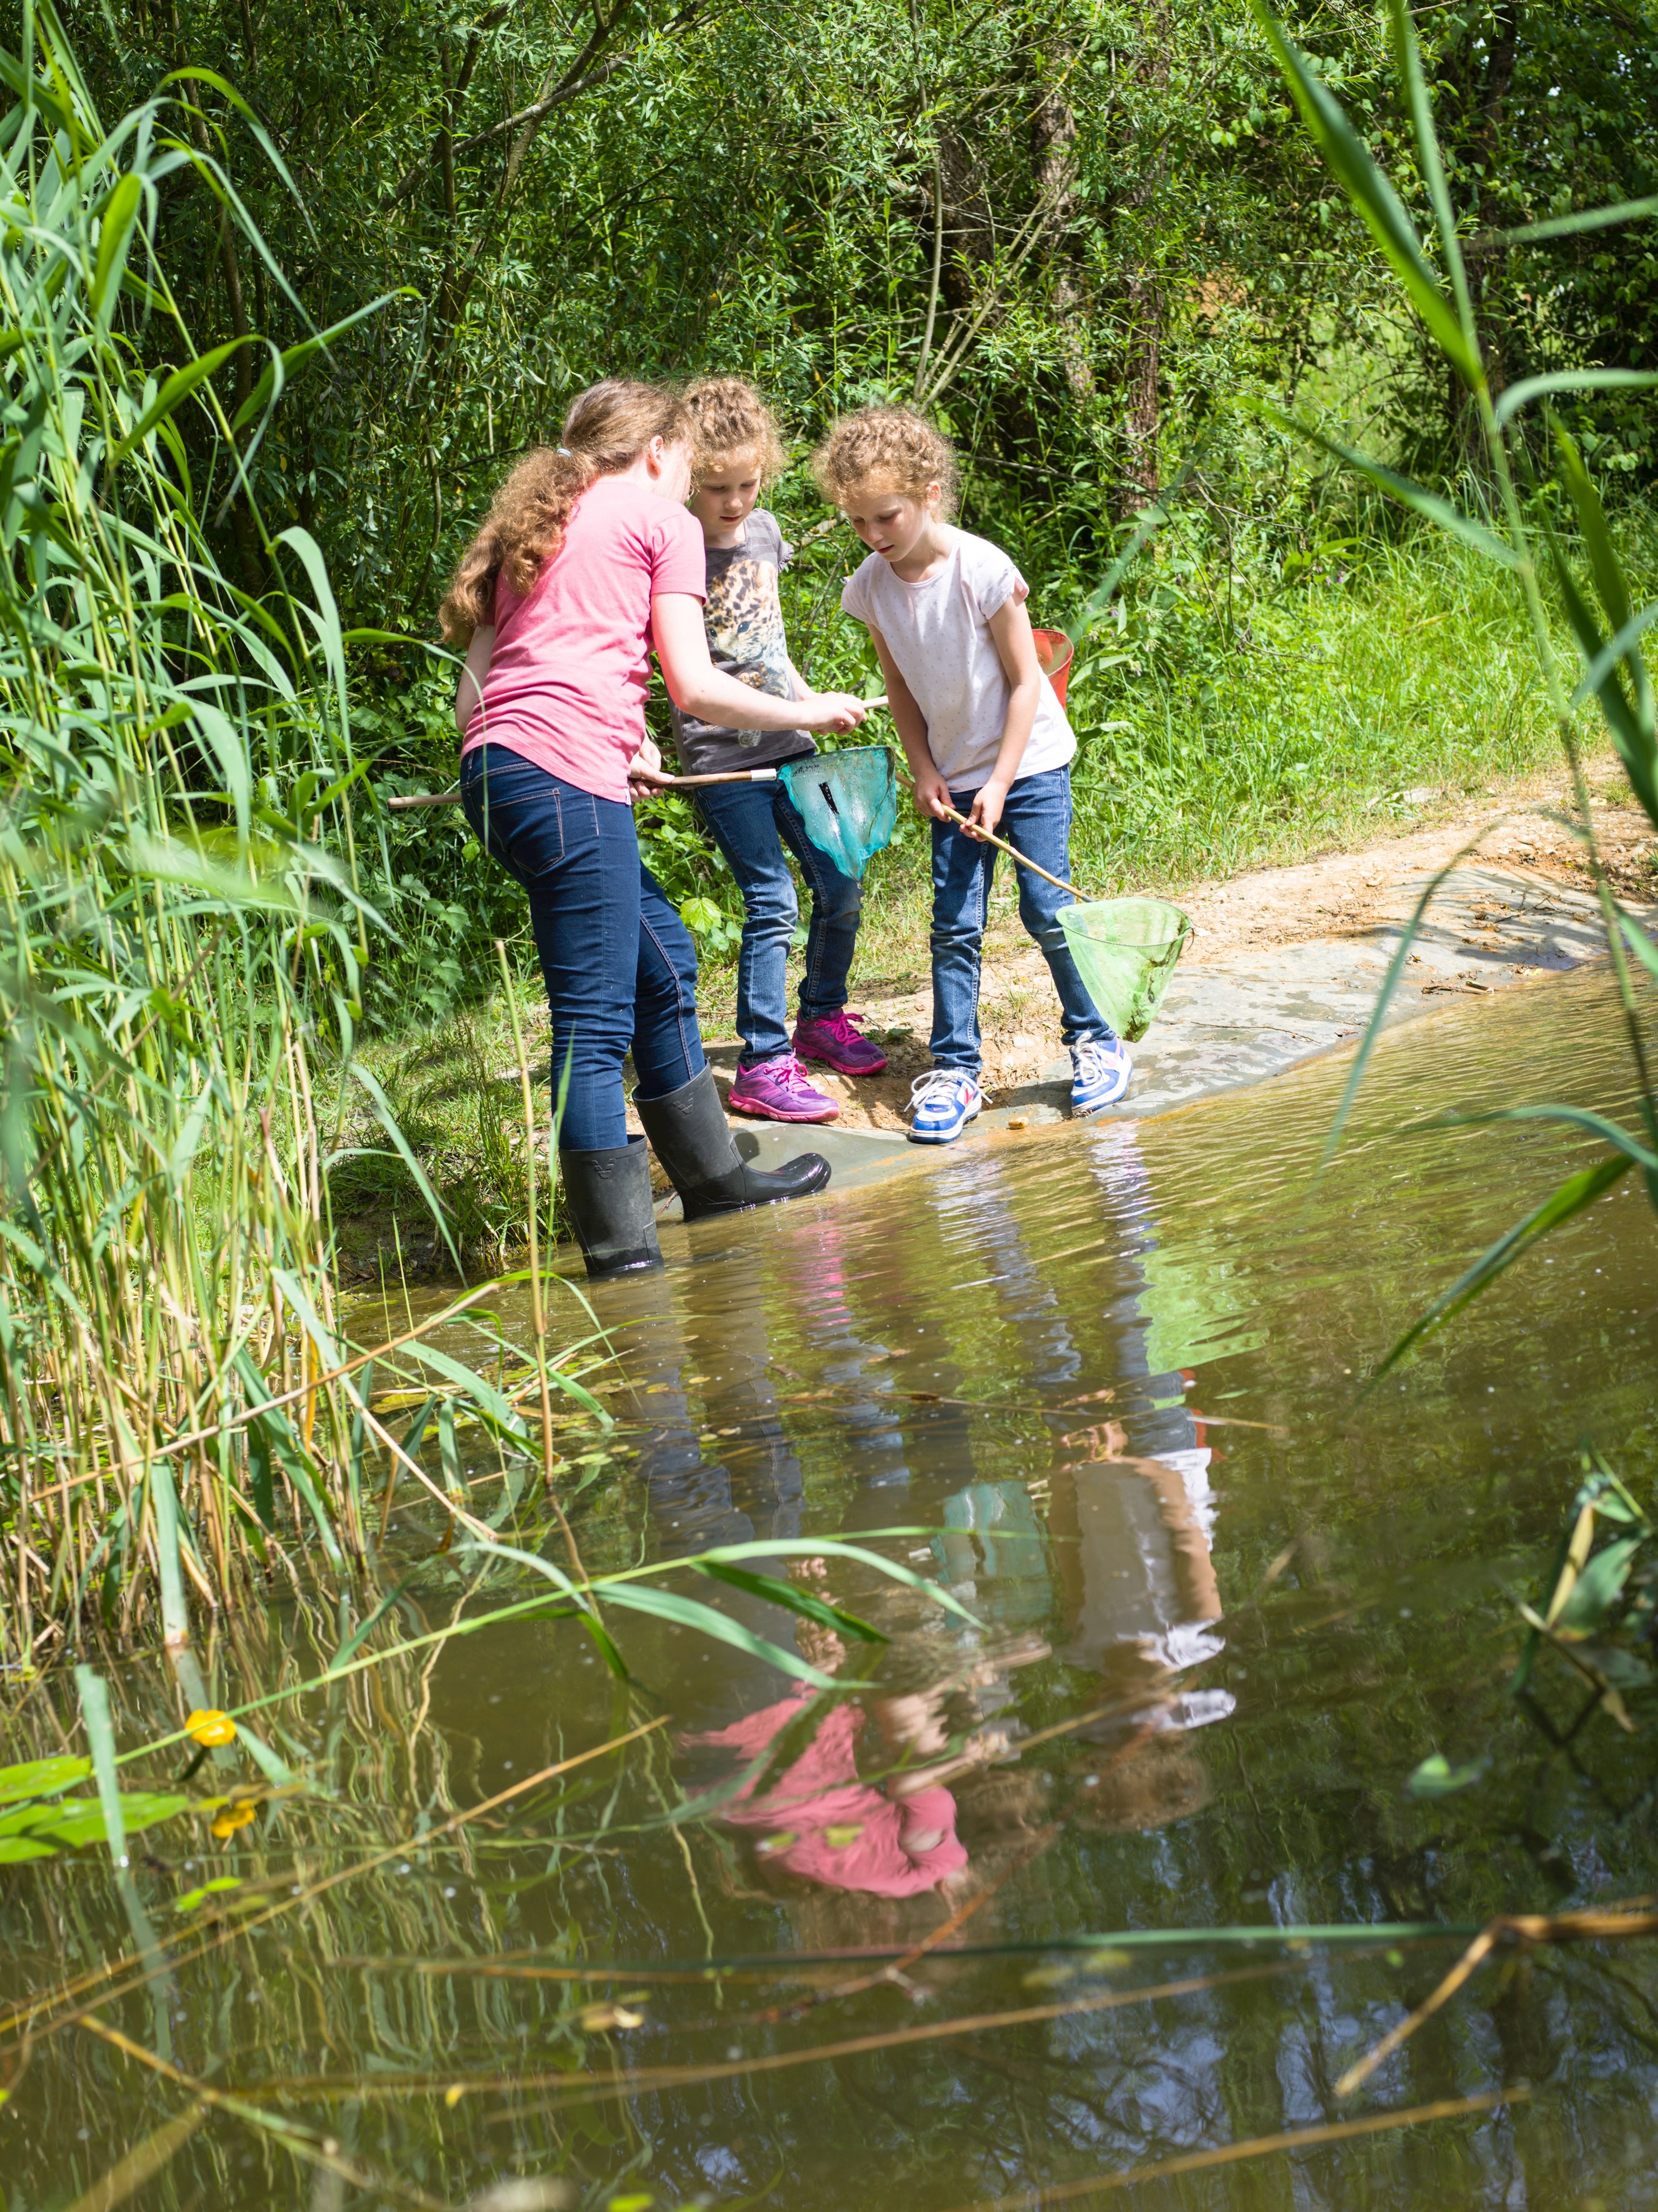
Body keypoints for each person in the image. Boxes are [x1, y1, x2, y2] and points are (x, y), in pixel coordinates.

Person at [440, 379, 867, 1278]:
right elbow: (696, 687)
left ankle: (715, 1181)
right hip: (559, 777)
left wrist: (615, 739)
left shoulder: (534, 524)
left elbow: (479, 696)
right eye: (688, 464)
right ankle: (622, 1258)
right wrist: (810, 710)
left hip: (496, 776)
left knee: (663, 960)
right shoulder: (659, 519)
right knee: (593, 1024)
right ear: (662, 451)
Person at [813, 406, 1133, 1143]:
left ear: (929, 494)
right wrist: (925, 769)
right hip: (953, 777)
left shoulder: (982, 569)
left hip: (1029, 765)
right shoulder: (871, 587)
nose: (873, 534)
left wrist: (998, 782)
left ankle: (1095, 1040)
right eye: (857, 522)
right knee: (954, 926)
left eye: (886, 516)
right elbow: (898, 687)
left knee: (1047, 911)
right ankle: (955, 1070)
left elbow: (1026, 683)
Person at [671, 377, 887, 1124]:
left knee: (841, 879)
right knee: (772, 900)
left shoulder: (764, 532)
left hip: (790, 741)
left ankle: (820, 1019)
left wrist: (812, 701)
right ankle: (762, 1063)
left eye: (748, 483)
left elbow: (767, 644)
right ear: (687, 480)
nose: (734, 501)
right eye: (717, 488)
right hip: (720, 759)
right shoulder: (672, 548)